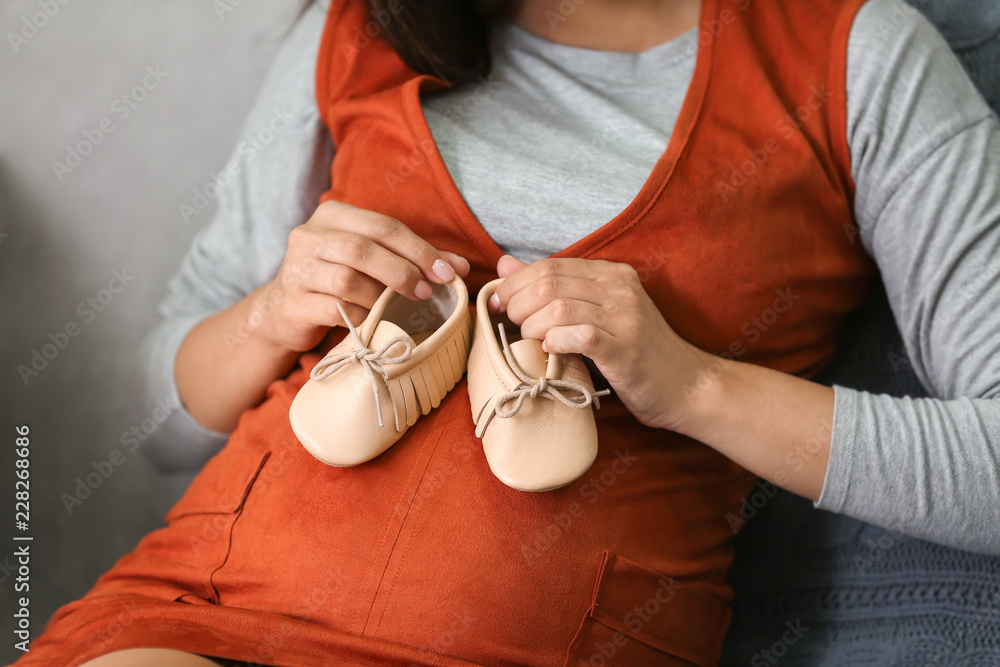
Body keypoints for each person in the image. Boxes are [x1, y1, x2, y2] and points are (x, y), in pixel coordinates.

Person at [18, 0, 1000, 664]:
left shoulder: (856, 56)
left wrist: (694, 385)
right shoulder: (364, 26)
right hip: (201, 610)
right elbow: (157, 423)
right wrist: (272, 311)